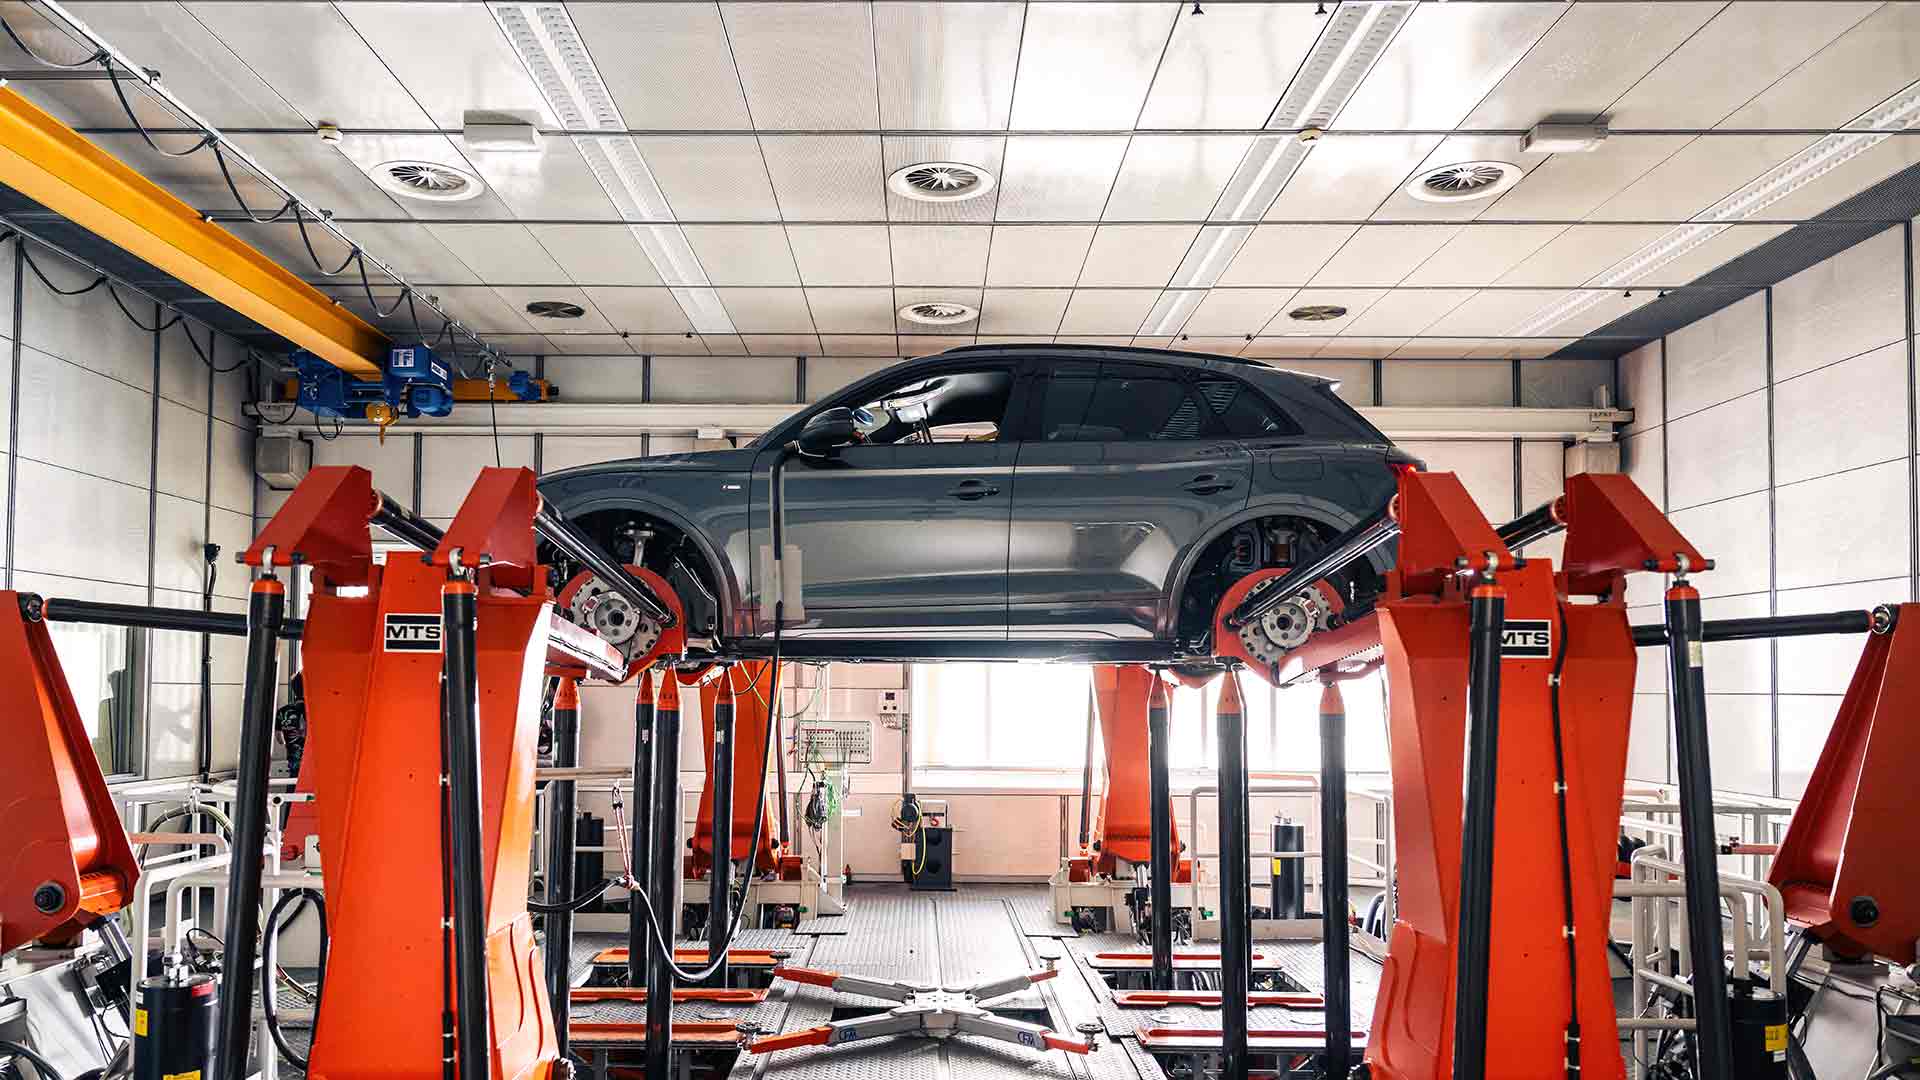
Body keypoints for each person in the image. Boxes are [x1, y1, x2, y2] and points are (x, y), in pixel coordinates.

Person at [275, 672, 308, 776]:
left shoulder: (282, 712)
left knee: (292, 789)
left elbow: (280, 740)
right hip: (313, 769)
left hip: (294, 766)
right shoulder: (316, 711)